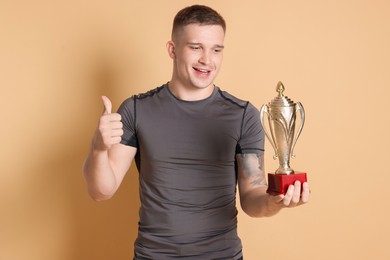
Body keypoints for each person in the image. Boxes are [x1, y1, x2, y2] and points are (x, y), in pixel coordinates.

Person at [83, 5, 310, 260]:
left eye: (216, 49)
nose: (207, 60)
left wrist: (273, 202)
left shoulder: (243, 115)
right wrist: (98, 148)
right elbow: (101, 191)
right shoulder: (136, 110)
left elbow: (251, 197)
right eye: (195, 47)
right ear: (172, 49)